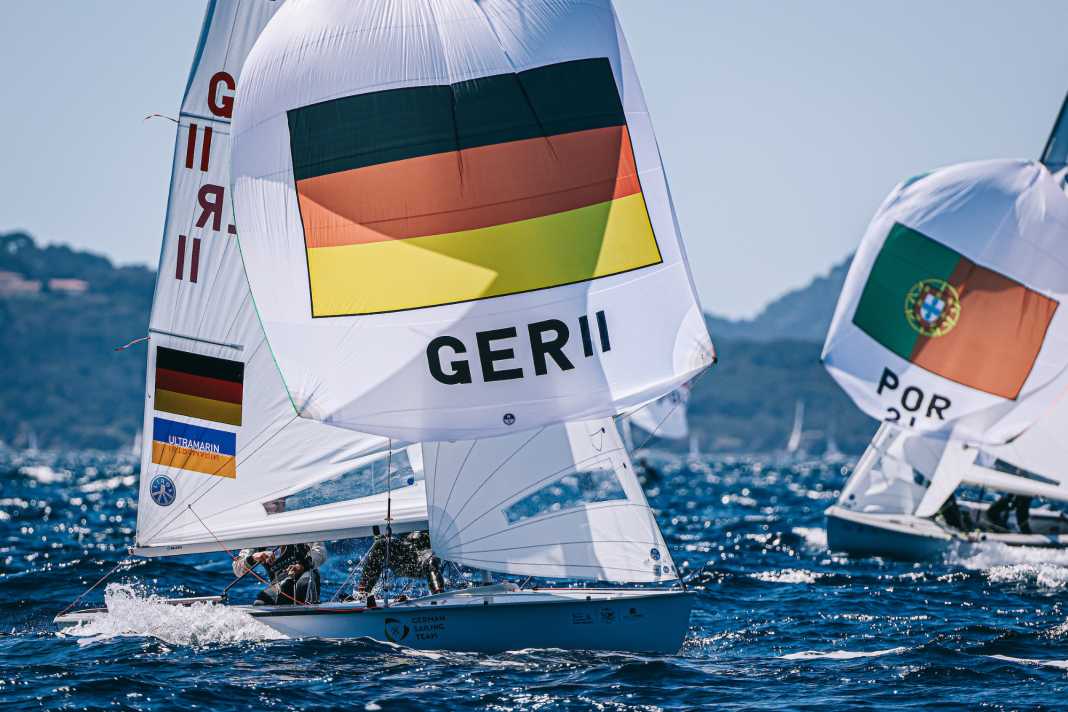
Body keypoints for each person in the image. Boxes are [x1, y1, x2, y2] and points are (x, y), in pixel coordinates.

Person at [353, 530, 444, 607]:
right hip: (405, 554)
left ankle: (439, 596)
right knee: (381, 544)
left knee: (432, 560)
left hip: (424, 558)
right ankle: (364, 593)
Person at [234, 542, 326, 605]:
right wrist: (253, 558)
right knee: (261, 602)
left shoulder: (299, 524)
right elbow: (237, 570)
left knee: (304, 584)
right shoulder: (257, 535)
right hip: (279, 583)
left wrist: (302, 565)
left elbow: (320, 552)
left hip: (306, 574)